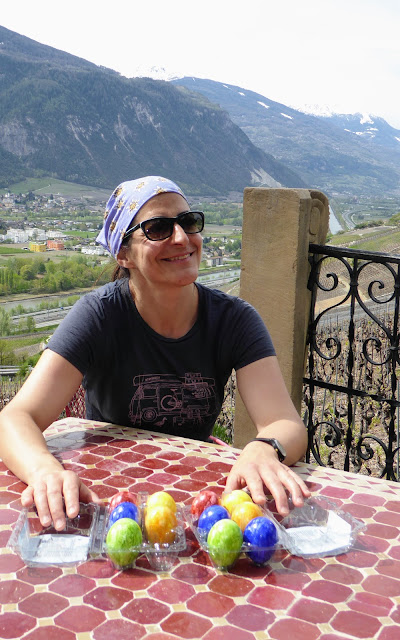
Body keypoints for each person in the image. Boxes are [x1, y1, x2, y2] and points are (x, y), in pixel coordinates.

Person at [0, 176, 310, 531]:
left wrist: (264, 447)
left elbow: (285, 424)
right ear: (123, 254)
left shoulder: (234, 320)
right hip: (107, 497)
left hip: (195, 499)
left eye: (188, 222)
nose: (181, 238)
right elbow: (16, 418)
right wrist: (43, 470)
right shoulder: (99, 316)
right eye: (158, 228)